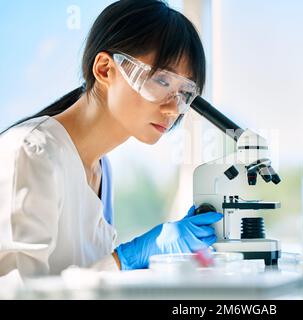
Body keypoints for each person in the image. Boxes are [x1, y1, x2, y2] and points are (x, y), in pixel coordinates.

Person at [0, 0, 222, 279]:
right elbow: (17, 291)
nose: (171, 109)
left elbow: (83, 278)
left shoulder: (102, 169)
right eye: (162, 82)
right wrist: (125, 258)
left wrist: (137, 261)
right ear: (105, 69)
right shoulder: (31, 151)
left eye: (184, 93)